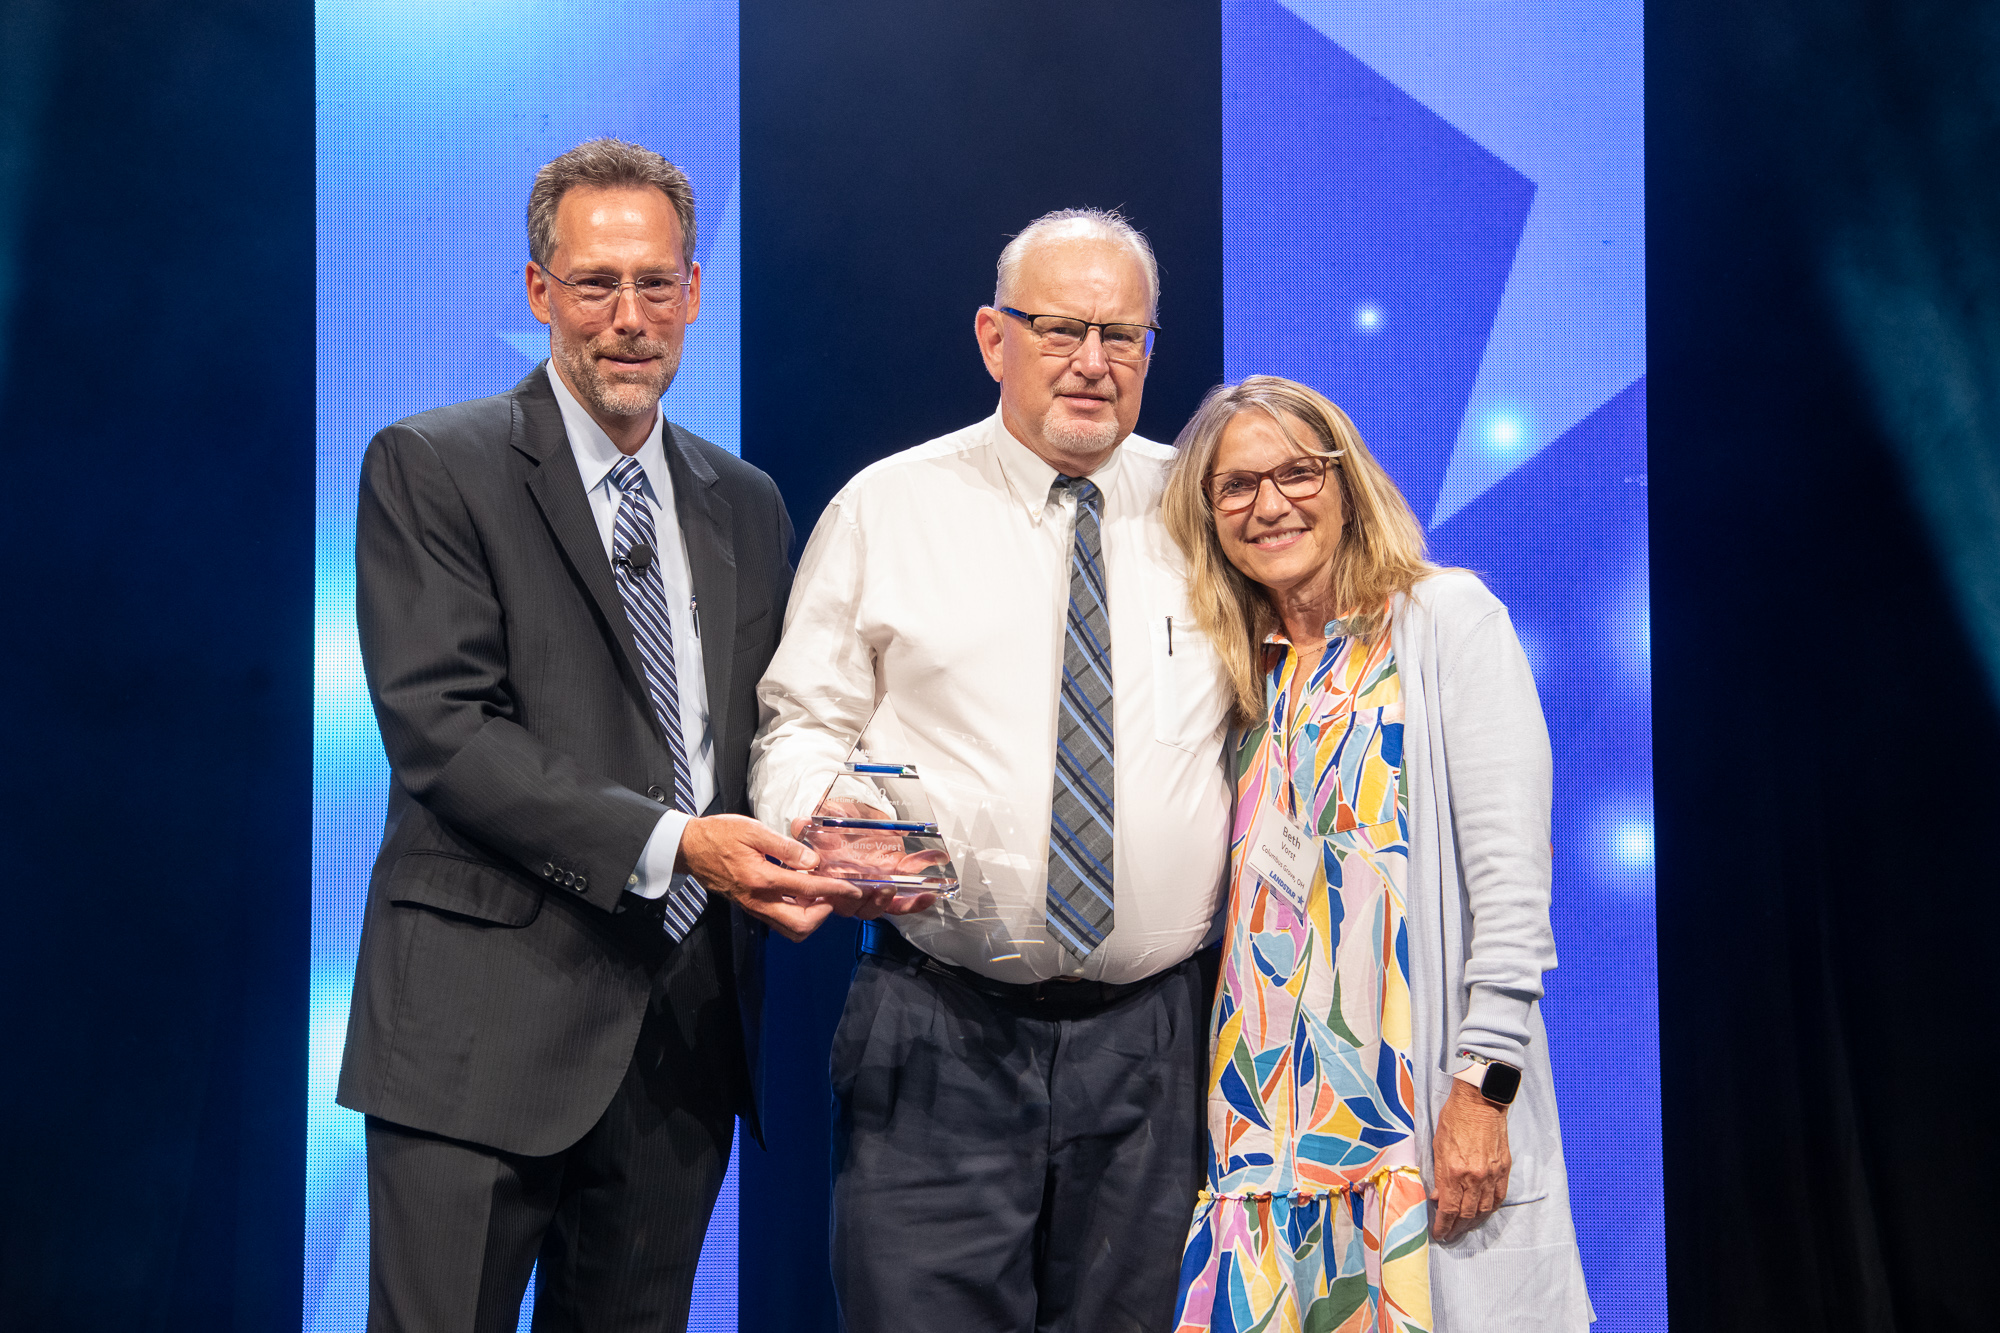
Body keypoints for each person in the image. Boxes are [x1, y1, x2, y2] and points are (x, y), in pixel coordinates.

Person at [336, 138, 855, 1332]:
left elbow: (761, 731)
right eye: (595, 284)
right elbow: (445, 733)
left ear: (691, 292)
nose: (628, 318)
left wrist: (831, 830)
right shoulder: (433, 465)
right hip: (478, 1028)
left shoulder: (745, 498)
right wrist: (681, 844)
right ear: (539, 291)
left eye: (655, 284)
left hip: (678, 1038)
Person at [749, 208, 1236, 1333]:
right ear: (991, 337)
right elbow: (800, 720)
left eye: (1122, 335)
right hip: (937, 1025)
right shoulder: (888, 506)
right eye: (1060, 327)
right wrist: (827, 823)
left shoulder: (1206, 512)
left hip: (1156, 1044)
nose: (1091, 361)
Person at [1161, 377, 1592, 1331]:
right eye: (1236, 487)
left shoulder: (1445, 620)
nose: (1269, 504)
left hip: (1416, 1129)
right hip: (1265, 1137)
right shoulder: (1248, 670)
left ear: (1346, 481)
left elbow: (1513, 898)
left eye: (1296, 474)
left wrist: (1484, 1090)